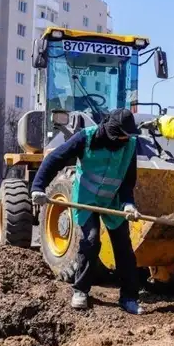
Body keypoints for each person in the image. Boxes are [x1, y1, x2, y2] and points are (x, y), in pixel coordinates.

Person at [30, 108, 143, 315]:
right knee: (91, 240)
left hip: (112, 200)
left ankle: (129, 297)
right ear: (111, 132)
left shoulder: (130, 145)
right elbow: (55, 159)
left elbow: (128, 180)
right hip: (85, 200)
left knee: (124, 248)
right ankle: (80, 291)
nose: (126, 139)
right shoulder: (86, 138)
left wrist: (128, 203)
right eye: (123, 134)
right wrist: (38, 187)